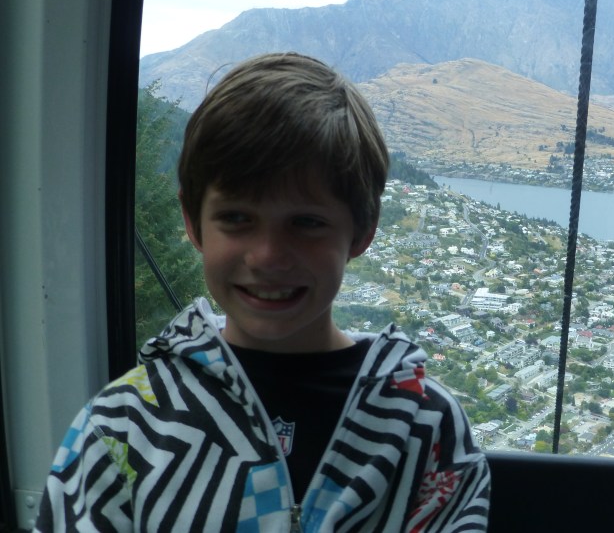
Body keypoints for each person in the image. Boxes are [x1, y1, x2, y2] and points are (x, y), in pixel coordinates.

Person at [35, 53, 490, 531]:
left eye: (306, 222)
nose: (268, 256)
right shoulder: (124, 428)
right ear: (193, 222)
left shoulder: (423, 428)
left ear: (361, 232)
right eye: (236, 218)